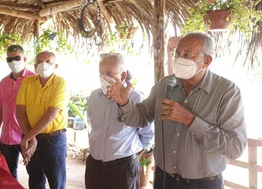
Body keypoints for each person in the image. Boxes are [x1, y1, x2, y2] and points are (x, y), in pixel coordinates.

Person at [105, 33, 247, 189]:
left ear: (206, 61)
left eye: (187, 54)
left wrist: (191, 120)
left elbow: (235, 147)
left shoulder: (227, 92)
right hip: (164, 180)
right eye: (177, 54)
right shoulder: (165, 85)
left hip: (203, 184)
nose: (179, 59)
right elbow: (140, 118)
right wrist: (124, 102)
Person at [85, 53, 154, 189]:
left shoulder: (135, 98)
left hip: (122, 169)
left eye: (109, 73)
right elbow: (93, 126)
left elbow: (147, 135)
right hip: (94, 166)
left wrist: (130, 156)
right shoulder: (94, 96)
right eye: (101, 72)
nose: (104, 77)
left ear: (122, 76)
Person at [16, 51, 69, 189]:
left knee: (56, 182)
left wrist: (27, 138)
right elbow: (20, 112)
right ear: (34, 66)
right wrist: (31, 139)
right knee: (35, 180)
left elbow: (50, 115)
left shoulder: (60, 83)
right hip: (30, 136)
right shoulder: (27, 82)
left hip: (53, 140)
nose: (43, 65)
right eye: (39, 62)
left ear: (56, 66)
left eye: (48, 62)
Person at [0, 45, 36, 179]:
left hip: (29, 136)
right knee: (8, 173)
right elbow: (0, 109)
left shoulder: (34, 80)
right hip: (8, 136)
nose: (13, 62)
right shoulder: (3, 82)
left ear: (24, 58)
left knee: (35, 175)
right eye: (9, 59)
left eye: (17, 58)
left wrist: (32, 137)